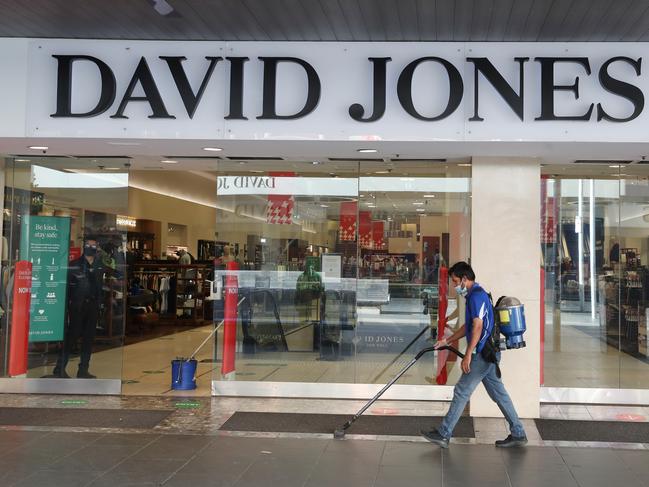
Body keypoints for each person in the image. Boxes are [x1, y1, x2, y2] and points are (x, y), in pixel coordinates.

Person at [420, 261, 527, 449]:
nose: (454, 286)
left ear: (464, 278)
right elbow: (468, 327)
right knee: (499, 395)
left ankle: (444, 433)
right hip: (489, 353)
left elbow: (478, 326)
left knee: (461, 391)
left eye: (455, 281)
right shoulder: (474, 296)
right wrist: (448, 340)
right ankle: (518, 433)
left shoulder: (477, 296)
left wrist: (468, 354)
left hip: (482, 354)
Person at [54, 237, 104, 379]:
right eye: (88, 245)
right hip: (77, 306)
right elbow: (67, 288)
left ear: (97, 247)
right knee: (72, 337)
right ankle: (59, 368)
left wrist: (100, 303)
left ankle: (83, 370)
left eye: (94, 245)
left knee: (89, 338)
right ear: (84, 247)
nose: (91, 248)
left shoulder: (99, 266)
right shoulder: (74, 265)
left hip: (93, 306)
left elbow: (100, 287)